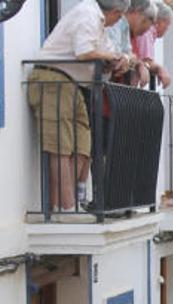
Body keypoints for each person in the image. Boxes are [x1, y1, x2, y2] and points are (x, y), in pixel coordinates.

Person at [27, 0, 130, 213]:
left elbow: (110, 52)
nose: (118, 22)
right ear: (117, 13)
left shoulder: (99, 23)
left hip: (73, 84)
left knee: (84, 146)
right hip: (53, 80)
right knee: (61, 147)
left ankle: (63, 204)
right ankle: (66, 208)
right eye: (120, 17)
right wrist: (112, 57)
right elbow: (84, 52)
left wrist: (123, 60)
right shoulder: (87, 13)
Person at [106, 0, 157, 87]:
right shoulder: (116, 20)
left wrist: (137, 63)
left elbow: (128, 54)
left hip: (110, 83)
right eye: (142, 19)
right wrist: (129, 60)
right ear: (137, 12)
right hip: (97, 81)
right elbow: (115, 53)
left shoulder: (124, 24)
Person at [132, 0, 173, 88]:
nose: (167, 28)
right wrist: (160, 69)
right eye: (167, 24)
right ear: (159, 21)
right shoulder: (147, 33)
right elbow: (146, 61)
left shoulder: (148, 32)